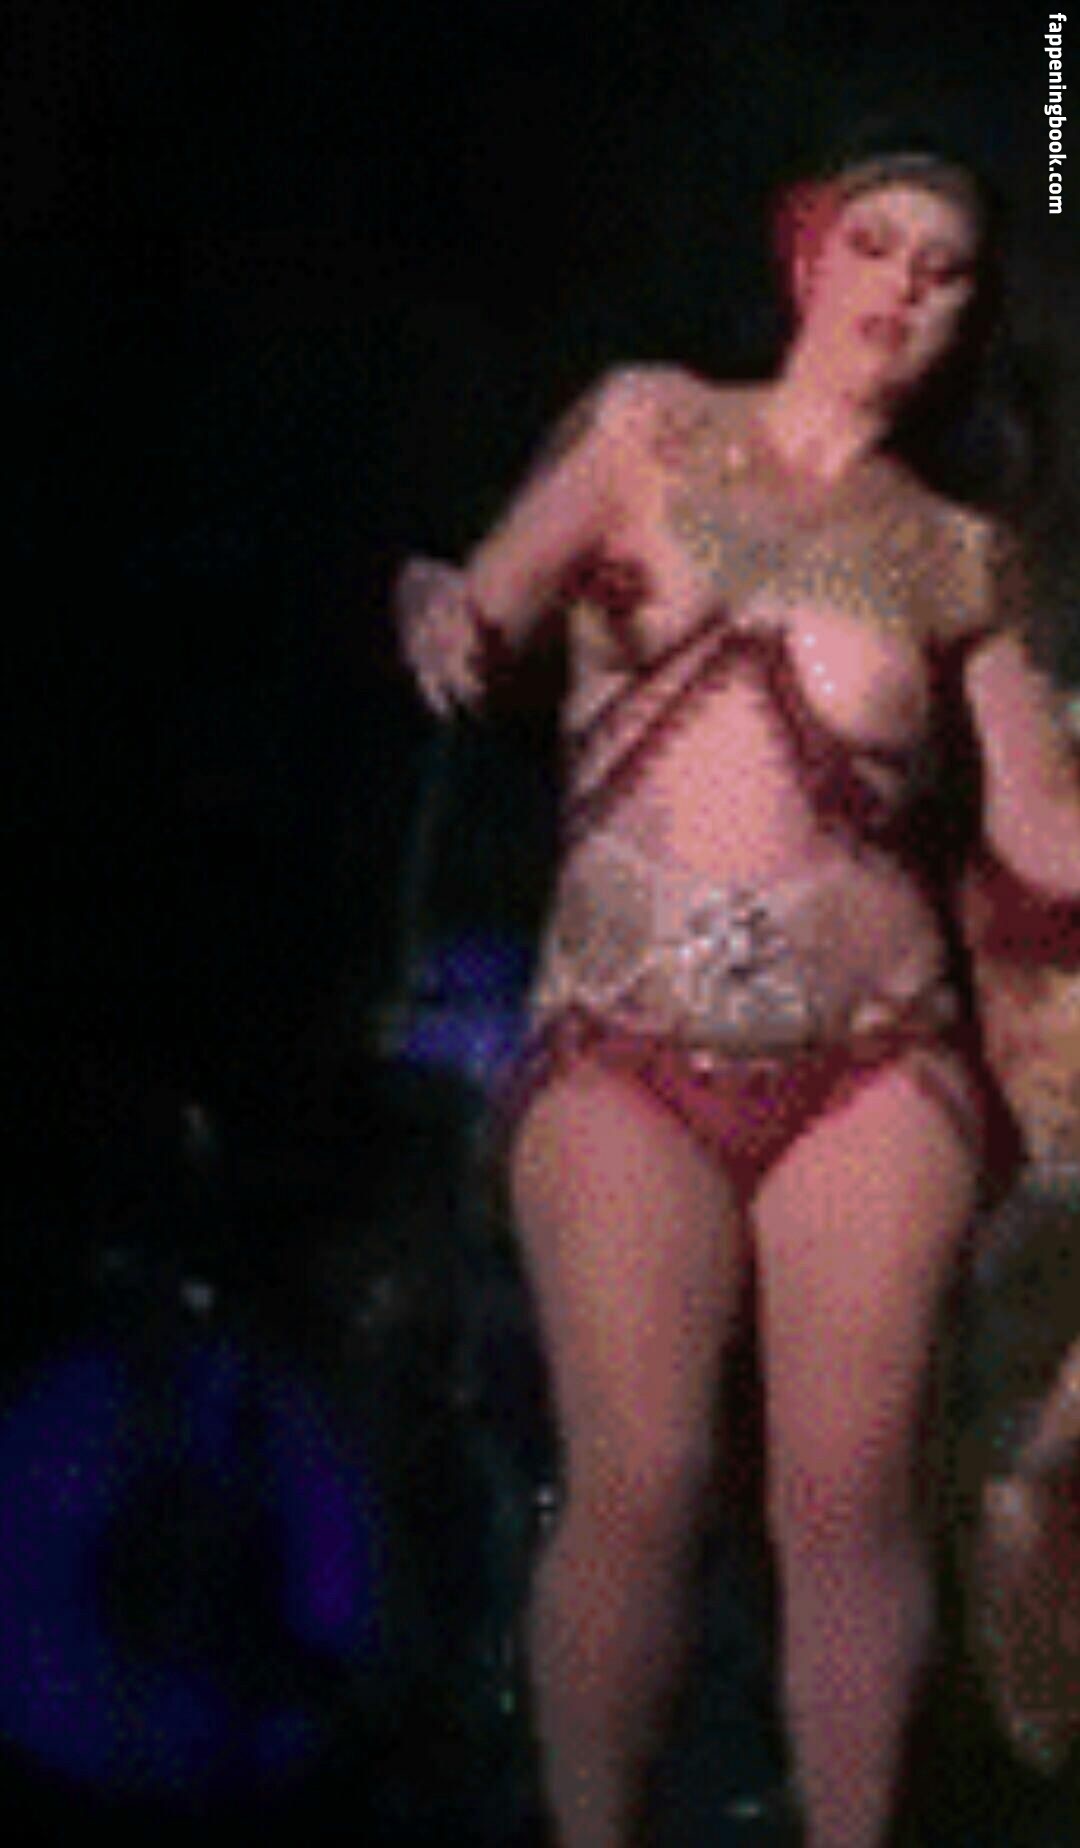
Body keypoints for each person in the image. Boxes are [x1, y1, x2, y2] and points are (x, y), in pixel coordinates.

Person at [395, 142, 1080, 1848]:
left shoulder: (957, 555)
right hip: (622, 1043)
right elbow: (488, 600)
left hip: (872, 1065)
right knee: (645, 1478)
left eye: (945, 272)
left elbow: (1046, 843)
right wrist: (442, 608)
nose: (905, 287)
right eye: (879, 244)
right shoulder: (648, 424)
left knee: (848, 1508)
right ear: (808, 257)